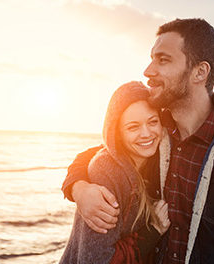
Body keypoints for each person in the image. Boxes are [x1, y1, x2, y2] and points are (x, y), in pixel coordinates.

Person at [62, 18, 214, 263]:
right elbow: (104, 153)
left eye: (163, 60)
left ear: (200, 72)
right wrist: (79, 188)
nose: (148, 71)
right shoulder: (155, 133)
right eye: (151, 58)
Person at [59, 82, 171, 263]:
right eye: (133, 127)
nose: (146, 133)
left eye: (153, 122)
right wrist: (153, 231)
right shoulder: (108, 172)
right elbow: (96, 260)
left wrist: (77, 186)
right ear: (117, 133)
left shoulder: (157, 157)